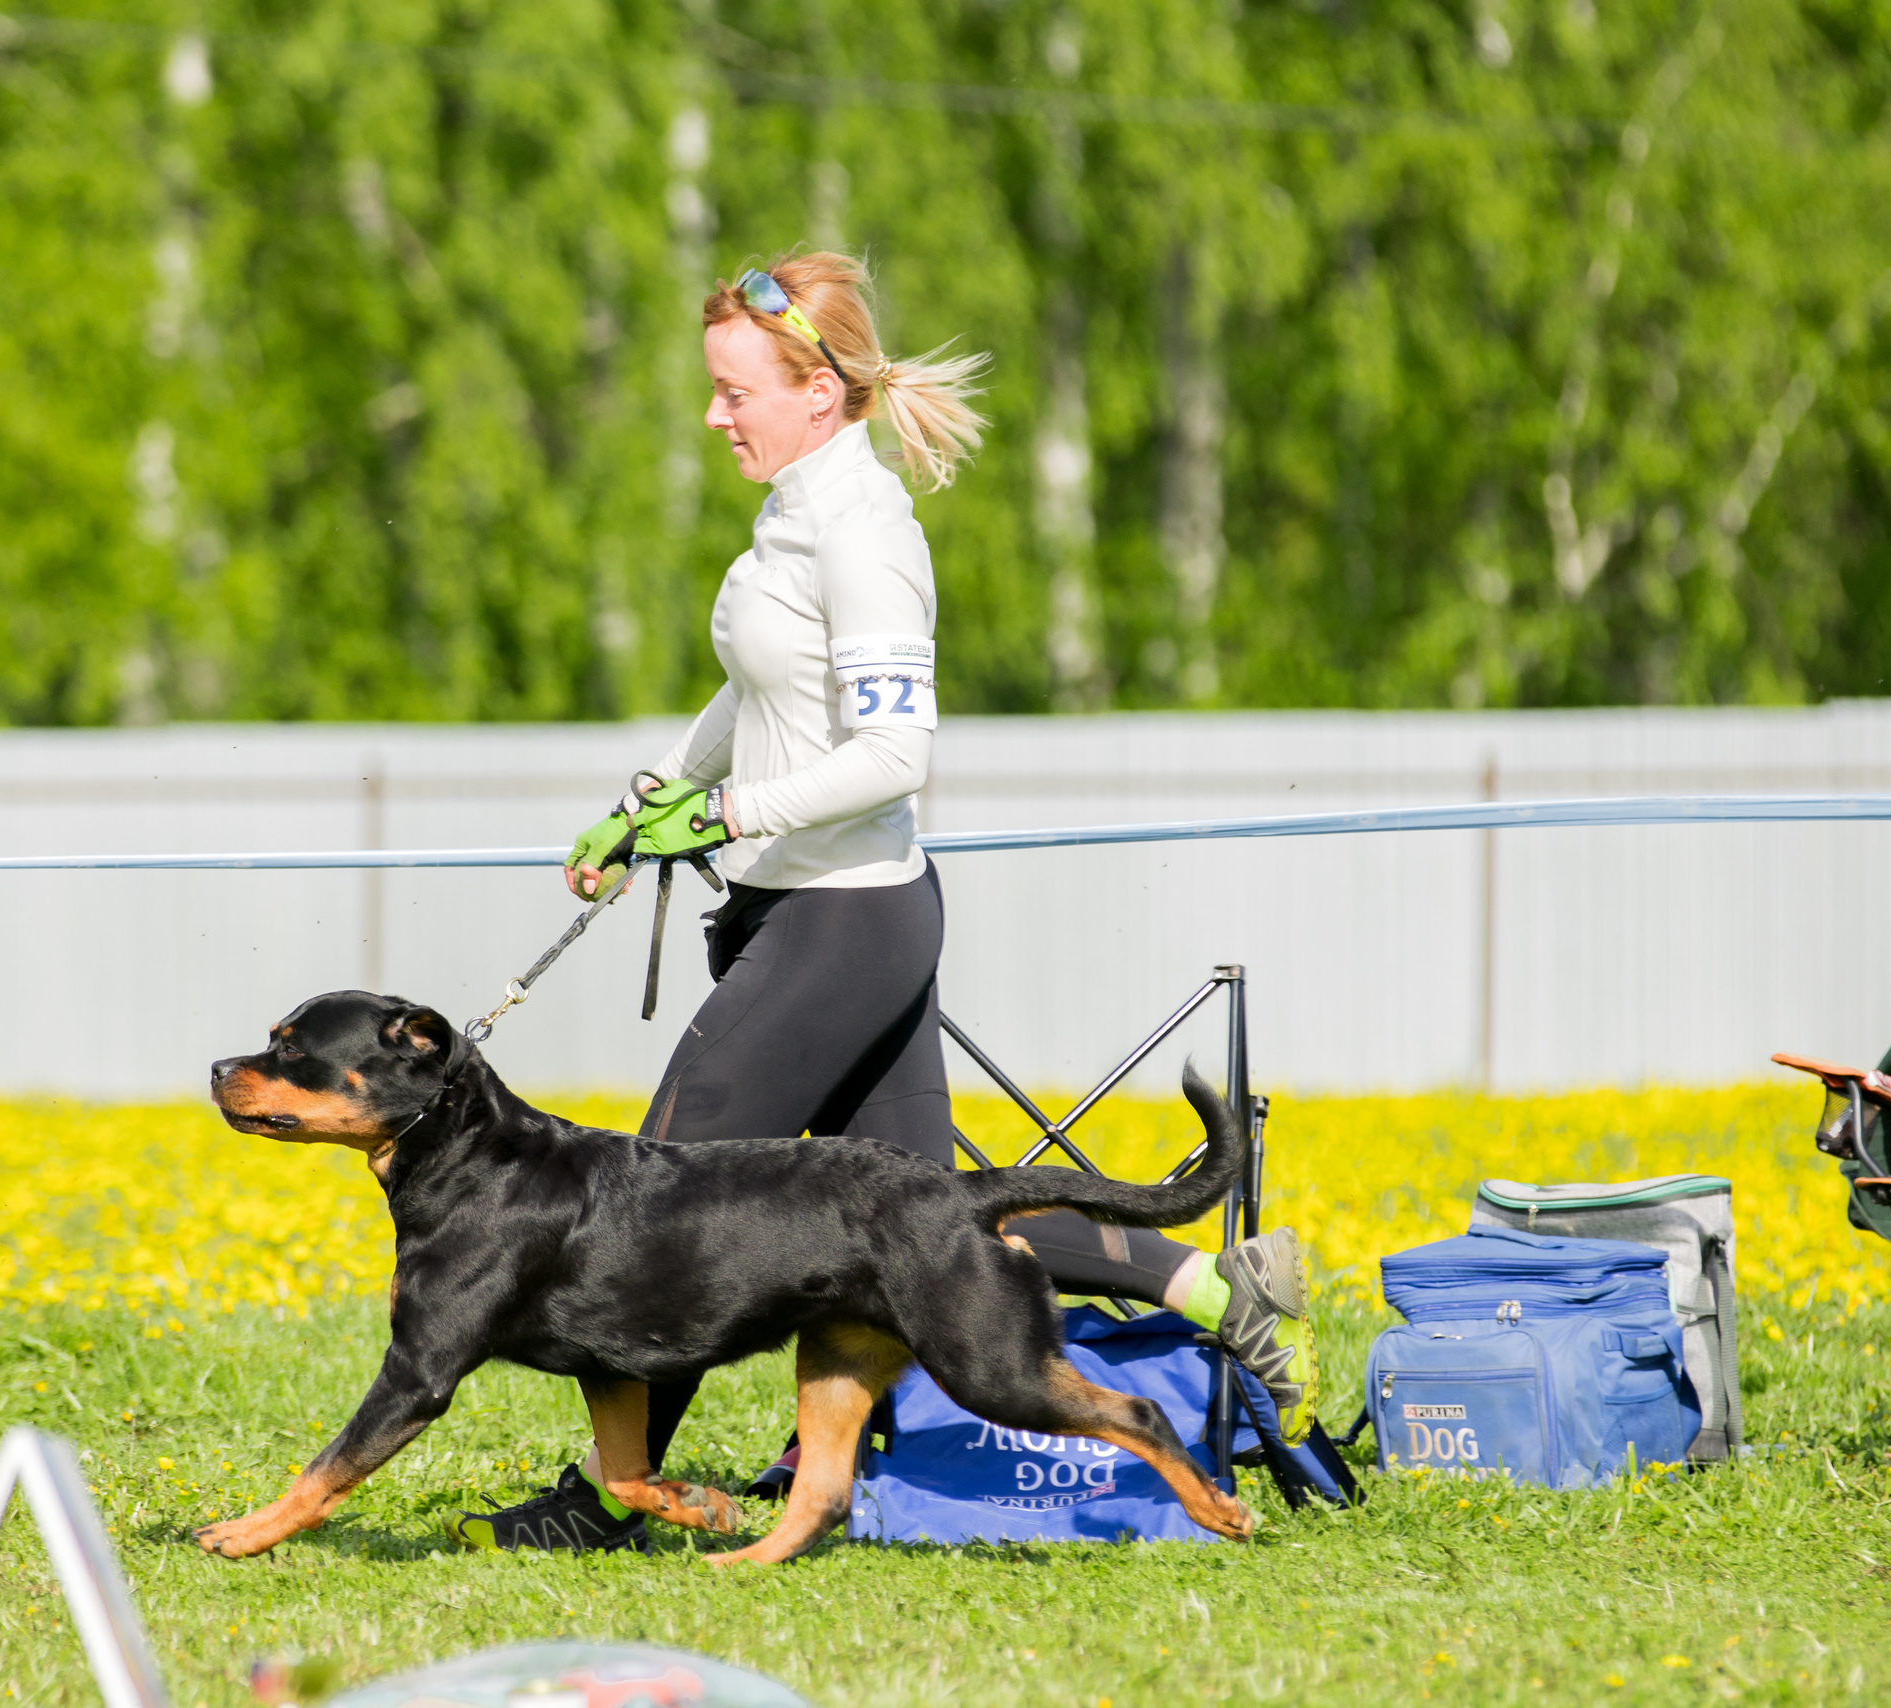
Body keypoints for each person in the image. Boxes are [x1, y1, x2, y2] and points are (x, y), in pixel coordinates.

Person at [449, 250, 1316, 1556]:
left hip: (845, 924)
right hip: (819, 909)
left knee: (661, 1201)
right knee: (928, 1219)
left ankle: (609, 1498)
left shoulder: (864, 535)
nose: (714, 414)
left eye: (737, 391)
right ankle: (1214, 1282)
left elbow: (895, 757)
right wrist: (653, 801)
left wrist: (729, 815)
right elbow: (757, 691)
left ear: (818, 388)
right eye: (715, 390)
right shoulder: (795, 514)